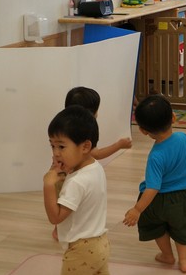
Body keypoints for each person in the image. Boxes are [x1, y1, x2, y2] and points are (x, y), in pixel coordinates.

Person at [42, 106, 134, 275]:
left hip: (81, 248)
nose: (56, 153)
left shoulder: (76, 182)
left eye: (61, 146)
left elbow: (55, 217)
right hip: (99, 242)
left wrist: (48, 185)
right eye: (52, 146)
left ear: (84, 147)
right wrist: (61, 176)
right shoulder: (94, 167)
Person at [122, 95, 186, 273]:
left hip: (155, 201)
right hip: (180, 198)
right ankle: (184, 261)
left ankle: (167, 256)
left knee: (156, 228)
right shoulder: (183, 138)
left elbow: (153, 187)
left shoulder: (155, 156)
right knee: (181, 228)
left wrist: (137, 209)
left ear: (143, 131)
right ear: (173, 117)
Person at [51, 86, 133, 241]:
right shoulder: (83, 133)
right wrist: (119, 145)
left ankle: (58, 227)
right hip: (65, 174)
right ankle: (59, 227)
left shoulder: (63, 127)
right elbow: (98, 154)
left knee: (63, 200)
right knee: (66, 203)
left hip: (60, 172)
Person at [65, 86, 133, 160]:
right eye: (97, 109)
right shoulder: (85, 130)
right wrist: (119, 145)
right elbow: (97, 154)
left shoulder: (63, 124)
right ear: (90, 113)